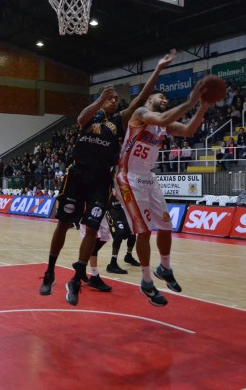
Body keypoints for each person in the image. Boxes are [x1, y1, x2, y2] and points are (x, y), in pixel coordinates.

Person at [39, 50, 179, 297]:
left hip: (101, 179)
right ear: (102, 101)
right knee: (63, 223)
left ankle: (78, 276)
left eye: (116, 99)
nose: (115, 101)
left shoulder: (122, 120)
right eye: (110, 99)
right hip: (77, 174)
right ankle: (50, 271)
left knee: (94, 229)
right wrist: (99, 98)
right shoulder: (90, 117)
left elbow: (143, 97)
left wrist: (157, 69)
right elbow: (82, 117)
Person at [109, 86, 210, 307]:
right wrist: (192, 101)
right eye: (160, 97)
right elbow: (163, 118)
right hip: (129, 179)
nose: (164, 99)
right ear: (149, 101)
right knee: (143, 231)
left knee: (166, 225)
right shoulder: (141, 114)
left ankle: (164, 268)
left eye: (166, 97)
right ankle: (146, 281)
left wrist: (202, 108)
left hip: (149, 178)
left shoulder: (162, 127)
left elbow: (188, 130)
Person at [104, 192, 140, 274]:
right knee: (118, 235)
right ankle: (112, 263)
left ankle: (128, 256)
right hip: (109, 209)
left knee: (132, 232)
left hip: (120, 209)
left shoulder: (122, 181)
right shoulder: (109, 182)